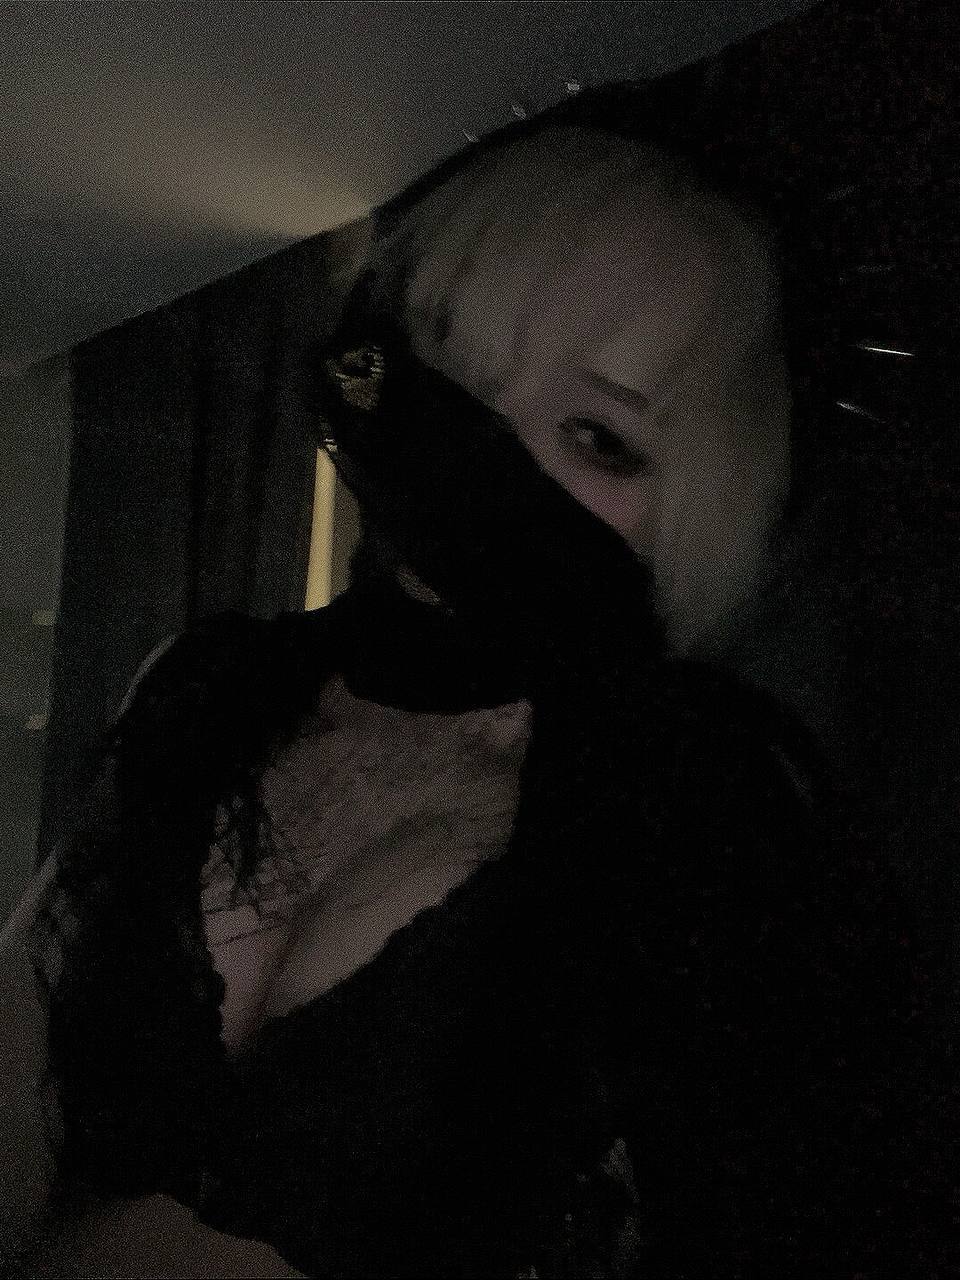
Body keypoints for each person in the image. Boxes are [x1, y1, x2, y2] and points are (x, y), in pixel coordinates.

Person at [8, 121, 956, 1278]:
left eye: (597, 435)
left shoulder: (713, 811)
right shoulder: (205, 688)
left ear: (709, 499)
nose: (479, 453)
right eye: (455, 363)